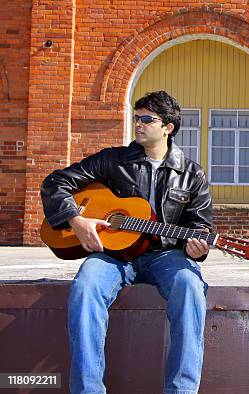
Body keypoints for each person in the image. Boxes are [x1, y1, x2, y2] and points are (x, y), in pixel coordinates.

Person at [40, 91, 212, 394]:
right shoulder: (112, 160)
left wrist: (196, 246)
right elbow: (55, 182)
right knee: (86, 286)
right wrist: (76, 221)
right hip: (113, 255)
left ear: (168, 127)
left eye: (147, 119)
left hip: (165, 255)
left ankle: (182, 390)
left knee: (190, 286)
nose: (139, 124)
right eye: (137, 117)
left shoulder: (192, 174)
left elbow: (199, 224)